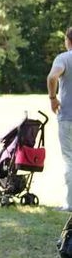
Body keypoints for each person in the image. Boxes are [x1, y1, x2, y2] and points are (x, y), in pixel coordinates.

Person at [47, 26, 72, 212]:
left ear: (67, 40)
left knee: (69, 159)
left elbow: (52, 76)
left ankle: (71, 203)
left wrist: (53, 98)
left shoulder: (63, 58)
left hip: (68, 117)